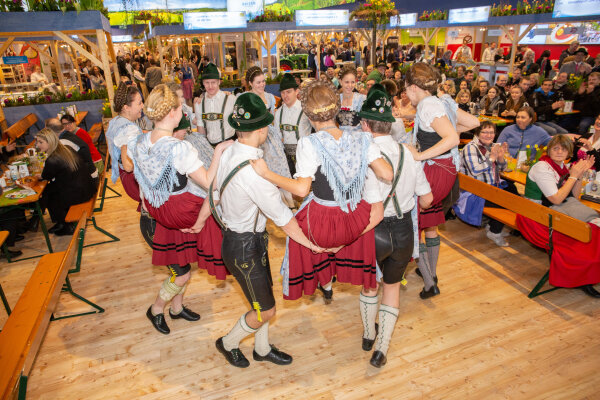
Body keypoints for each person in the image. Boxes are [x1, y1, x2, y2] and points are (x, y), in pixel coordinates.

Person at [251, 78, 392, 304]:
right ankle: (332, 281)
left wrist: (267, 174)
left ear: (308, 116)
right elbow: (387, 174)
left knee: (294, 231)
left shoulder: (309, 143)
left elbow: (301, 189)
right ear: (336, 109)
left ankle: (323, 281)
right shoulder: (363, 138)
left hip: (324, 223)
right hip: (355, 219)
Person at [212, 92, 325, 368]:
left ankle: (261, 348)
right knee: (267, 309)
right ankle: (228, 342)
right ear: (261, 129)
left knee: (262, 301)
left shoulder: (230, 152)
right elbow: (283, 218)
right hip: (244, 246)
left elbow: (215, 191)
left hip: (243, 240)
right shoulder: (252, 170)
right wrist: (311, 244)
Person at [128, 84, 230, 335]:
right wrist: (218, 151)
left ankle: (176, 308)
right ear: (173, 113)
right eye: (180, 108)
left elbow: (133, 172)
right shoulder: (178, 148)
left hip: (158, 214)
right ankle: (156, 309)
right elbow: (209, 182)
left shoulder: (138, 141)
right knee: (181, 273)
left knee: (182, 265)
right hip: (169, 218)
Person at [359, 84, 433, 367]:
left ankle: (368, 334)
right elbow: (426, 199)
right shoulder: (408, 153)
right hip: (403, 231)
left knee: (369, 286)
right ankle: (382, 349)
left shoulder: (364, 156)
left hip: (373, 231)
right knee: (392, 287)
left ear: (365, 124)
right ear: (390, 124)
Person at [404, 63, 480, 299]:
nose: (406, 95)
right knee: (430, 224)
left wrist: (419, 155)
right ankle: (431, 273)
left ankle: (429, 283)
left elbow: (451, 138)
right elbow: (473, 123)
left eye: (406, 90)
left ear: (414, 87)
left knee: (414, 224)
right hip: (446, 171)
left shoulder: (428, 105)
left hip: (433, 170)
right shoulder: (442, 101)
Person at [522, 134, 599, 297]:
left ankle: (588, 274)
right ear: (549, 150)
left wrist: (578, 175)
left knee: (594, 227)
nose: (559, 152)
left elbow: (573, 196)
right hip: (537, 216)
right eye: (555, 148)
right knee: (585, 234)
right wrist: (573, 175)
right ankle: (583, 277)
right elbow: (556, 198)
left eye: (563, 149)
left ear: (569, 152)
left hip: (553, 211)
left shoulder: (561, 166)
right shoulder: (542, 167)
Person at [459, 122, 518, 246]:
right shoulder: (471, 148)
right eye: (485, 132)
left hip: (489, 187)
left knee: (513, 191)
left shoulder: (491, 146)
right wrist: (491, 158)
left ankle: (493, 226)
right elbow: (475, 170)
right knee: (506, 200)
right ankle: (494, 231)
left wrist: (501, 157)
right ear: (477, 133)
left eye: (491, 132)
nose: (488, 135)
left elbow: (503, 168)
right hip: (474, 192)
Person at [246, 66, 294, 207]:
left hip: (271, 134)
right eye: (258, 82)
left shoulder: (269, 97)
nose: (262, 85)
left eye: (263, 81)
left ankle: (288, 200)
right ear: (250, 83)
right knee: (264, 170)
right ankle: (274, 203)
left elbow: (272, 118)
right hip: (255, 135)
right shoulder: (247, 98)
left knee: (281, 166)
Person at [35, 128, 96, 236]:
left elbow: (46, 176)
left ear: (50, 141)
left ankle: (65, 225)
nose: (37, 145)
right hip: (87, 188)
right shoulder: (66, 148)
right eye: (37, 142)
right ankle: (60, 222)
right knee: (49, 190)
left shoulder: (52, 159)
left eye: (41, 142)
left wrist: (39, 176)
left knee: (46, 193)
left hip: (78, 194)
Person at [106, 82, 144, 203]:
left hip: (124, 177)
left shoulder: (116, 121)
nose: (142, 106)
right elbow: (128, 166)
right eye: (139, 103)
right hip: (133, 180)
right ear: (126, 107)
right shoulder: (129, 129)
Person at [273, 74, 311, 176]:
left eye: (288, 92)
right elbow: (277, 138)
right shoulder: (278, 113)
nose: (285, 96)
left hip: (305, 157)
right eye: (283, 92)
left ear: (296, 91)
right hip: (287, 159)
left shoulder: (306, 109)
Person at [193, 63, 236, 147]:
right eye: (207, 82)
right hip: (210, 147)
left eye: (213, 82)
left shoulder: (231, 99)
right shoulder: (199, 103)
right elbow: (201, 130)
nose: (210, 86)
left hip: (230, 146)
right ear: (203, 83)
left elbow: (239, 124)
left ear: (219, 82)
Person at [337, 66, 367, 131]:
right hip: (340, 136)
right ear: (340, 81)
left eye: (352, 82)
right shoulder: (336, 99)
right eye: (347, 82)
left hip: (358, 137)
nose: (350, 85)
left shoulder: (361, 99)